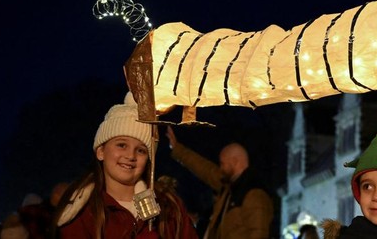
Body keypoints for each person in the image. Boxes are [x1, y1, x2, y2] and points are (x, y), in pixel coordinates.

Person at [53, 91, 198, 238]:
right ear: (101, 151)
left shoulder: (168, 207)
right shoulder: (82, 213)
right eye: (121, 145)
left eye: (141, 150)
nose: (130, 156)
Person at [166, 126, 274, 239]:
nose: (221, 168)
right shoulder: (229, 188)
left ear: (235, 162)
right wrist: (177, 149)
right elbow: (205, 169)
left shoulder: (253, 194)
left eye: (223, 163)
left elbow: (258, 233)